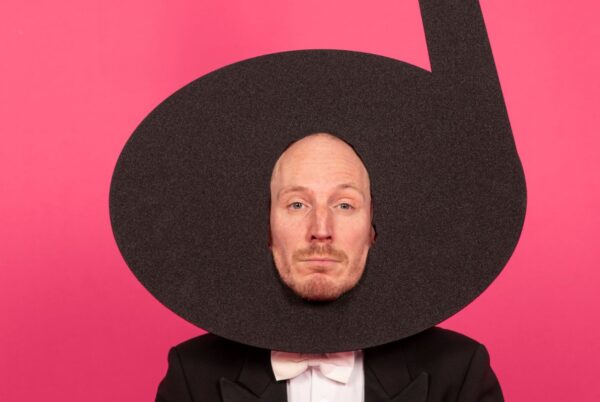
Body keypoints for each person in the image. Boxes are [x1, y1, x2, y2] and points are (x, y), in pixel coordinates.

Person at [155, 133, 504, 402]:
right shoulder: (192, 376)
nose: (321, 230)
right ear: (268, 229)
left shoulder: (460, 372)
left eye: (344, 205)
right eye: (296, 204)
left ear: (373, 229)